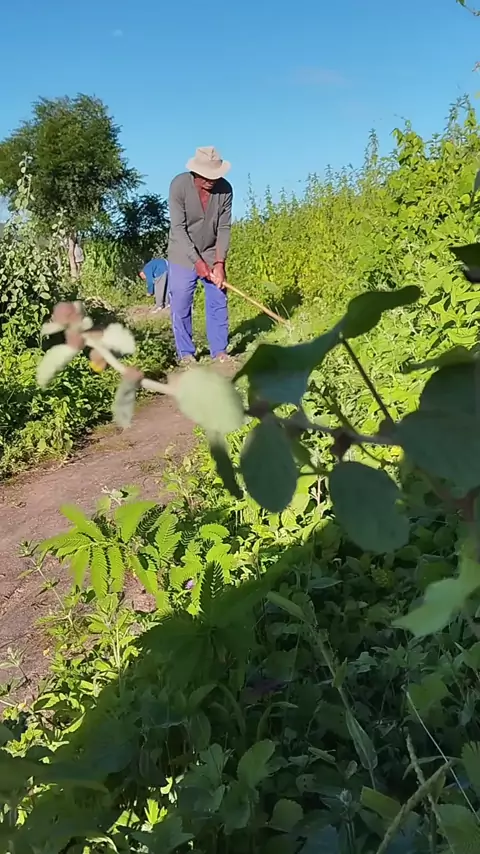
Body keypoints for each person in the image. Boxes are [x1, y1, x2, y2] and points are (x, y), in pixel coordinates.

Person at [167, 146, 233, 363]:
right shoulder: (179, 185)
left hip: (211, 251)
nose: (211, 180)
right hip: (182, 252)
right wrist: (196, 261)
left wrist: (219, 262)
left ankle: (220, 351)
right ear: (195, 172)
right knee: (181, 301)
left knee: (218, 297)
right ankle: (186, 354)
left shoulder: (225, 190)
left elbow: (224, 228)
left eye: (215, 175)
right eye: (206, 175)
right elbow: (178, 228)